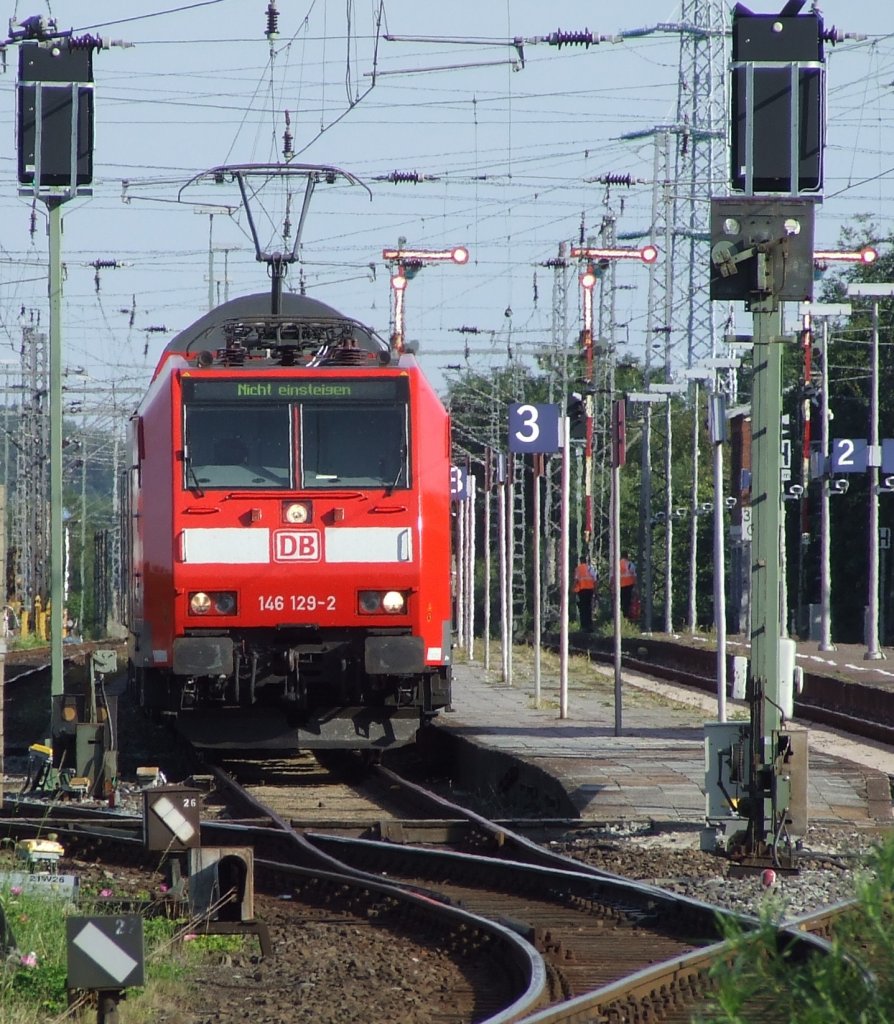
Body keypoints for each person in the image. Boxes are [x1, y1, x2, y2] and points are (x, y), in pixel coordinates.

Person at [573, 554, 597, 632]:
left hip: (582, 590)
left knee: (582, 608)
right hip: (589, 590)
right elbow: (595, 580)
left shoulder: (578, 569)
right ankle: (589, 625)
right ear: (586, 561)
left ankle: (584, 625)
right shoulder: (590, 568)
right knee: (588, 607)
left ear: (580, 561)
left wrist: (573, 589)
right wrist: (595, 590)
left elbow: (576, 580)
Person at [618, 551, 637, 618]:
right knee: (627, 603)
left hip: (619, 586)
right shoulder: (630, 564)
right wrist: (635, 586)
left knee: (620, 602)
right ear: (627, 556)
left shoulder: (617, 564)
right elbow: (634, 576)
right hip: (629, 586)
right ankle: (626, 616)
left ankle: (620, 616)